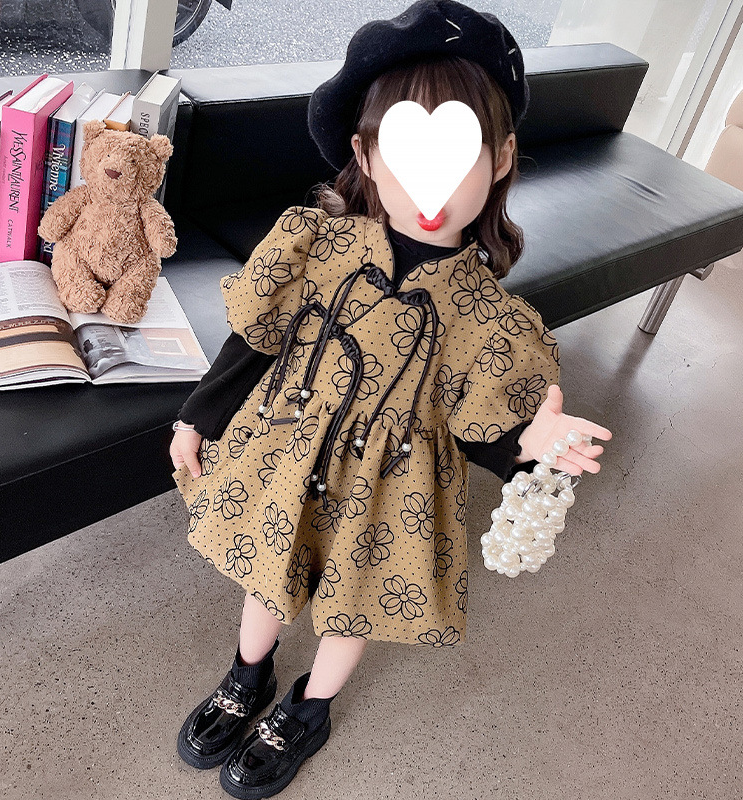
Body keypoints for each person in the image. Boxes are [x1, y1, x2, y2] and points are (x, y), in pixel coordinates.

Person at [169, 2, 612, 797]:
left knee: (352, 606)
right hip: (289, 450)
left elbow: (481, 422)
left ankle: (309, 708)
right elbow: (259, 336)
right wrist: (198, 414)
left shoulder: (490, 317)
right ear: (365, 155)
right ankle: (248, 673)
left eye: (459, 153)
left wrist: (530, 445)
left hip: (391, 491)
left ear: (502, 158)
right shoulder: (316, 243)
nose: (430, 182)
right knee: (266, 576)